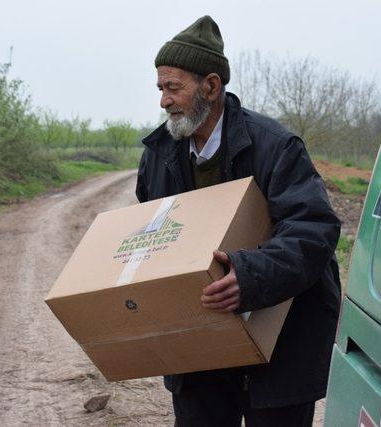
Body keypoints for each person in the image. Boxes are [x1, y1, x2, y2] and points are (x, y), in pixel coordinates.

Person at [136, 15, 341, 427]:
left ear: (210, 86)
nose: (163, 100)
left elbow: (314, 231)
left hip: (280, 343)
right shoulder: (158, 155)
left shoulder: (276, 146)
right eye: (160, 88)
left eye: (173, 87)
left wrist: (248, 276)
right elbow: (152, 238)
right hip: (200, 340)